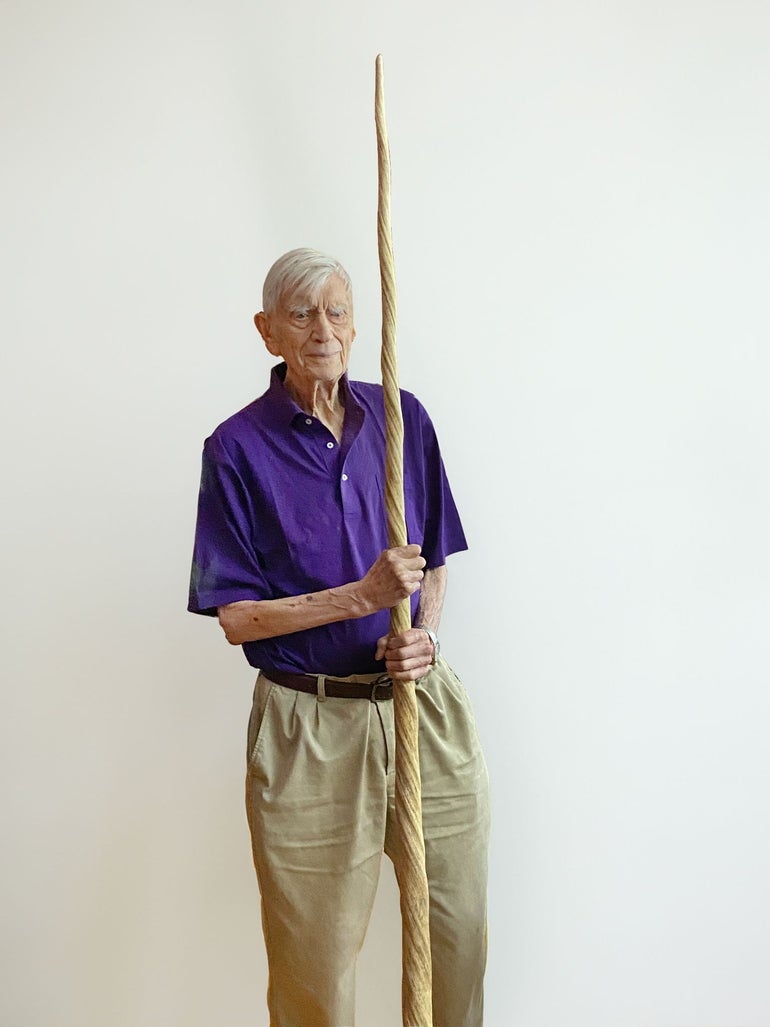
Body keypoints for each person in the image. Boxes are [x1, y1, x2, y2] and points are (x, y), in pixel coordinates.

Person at [188, 248, 489, 1027]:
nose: (323, 328)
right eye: (301, 313)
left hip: (422, 710)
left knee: (456, 935)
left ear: (358, 325)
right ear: (267, 331)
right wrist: (360, 596)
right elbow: (236, 618)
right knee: (313, 964)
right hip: (309, 726)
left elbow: (436, 557)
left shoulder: (402, 417)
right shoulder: (236, 450)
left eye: (338, 310)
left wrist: (421, 634)